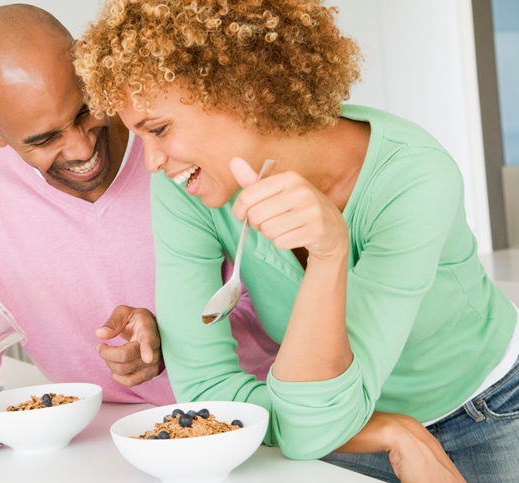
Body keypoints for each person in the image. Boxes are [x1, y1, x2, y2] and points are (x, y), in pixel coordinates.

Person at [74, 0, 519, 482]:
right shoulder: (184, 188)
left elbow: (296, 417)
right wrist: (387, 431)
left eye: (158, 130)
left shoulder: (414, 177)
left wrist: (330, 252)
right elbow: (206, 393)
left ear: (245, 92)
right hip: (342, 430)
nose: (151, 162)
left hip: (481, 414)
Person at [0, 4, 278, 414]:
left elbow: (279, 297)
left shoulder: (177, 149)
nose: (82, 148)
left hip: (252, 412)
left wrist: (176, 337)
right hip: (104, 431)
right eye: (44, 139)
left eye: (84, 111)